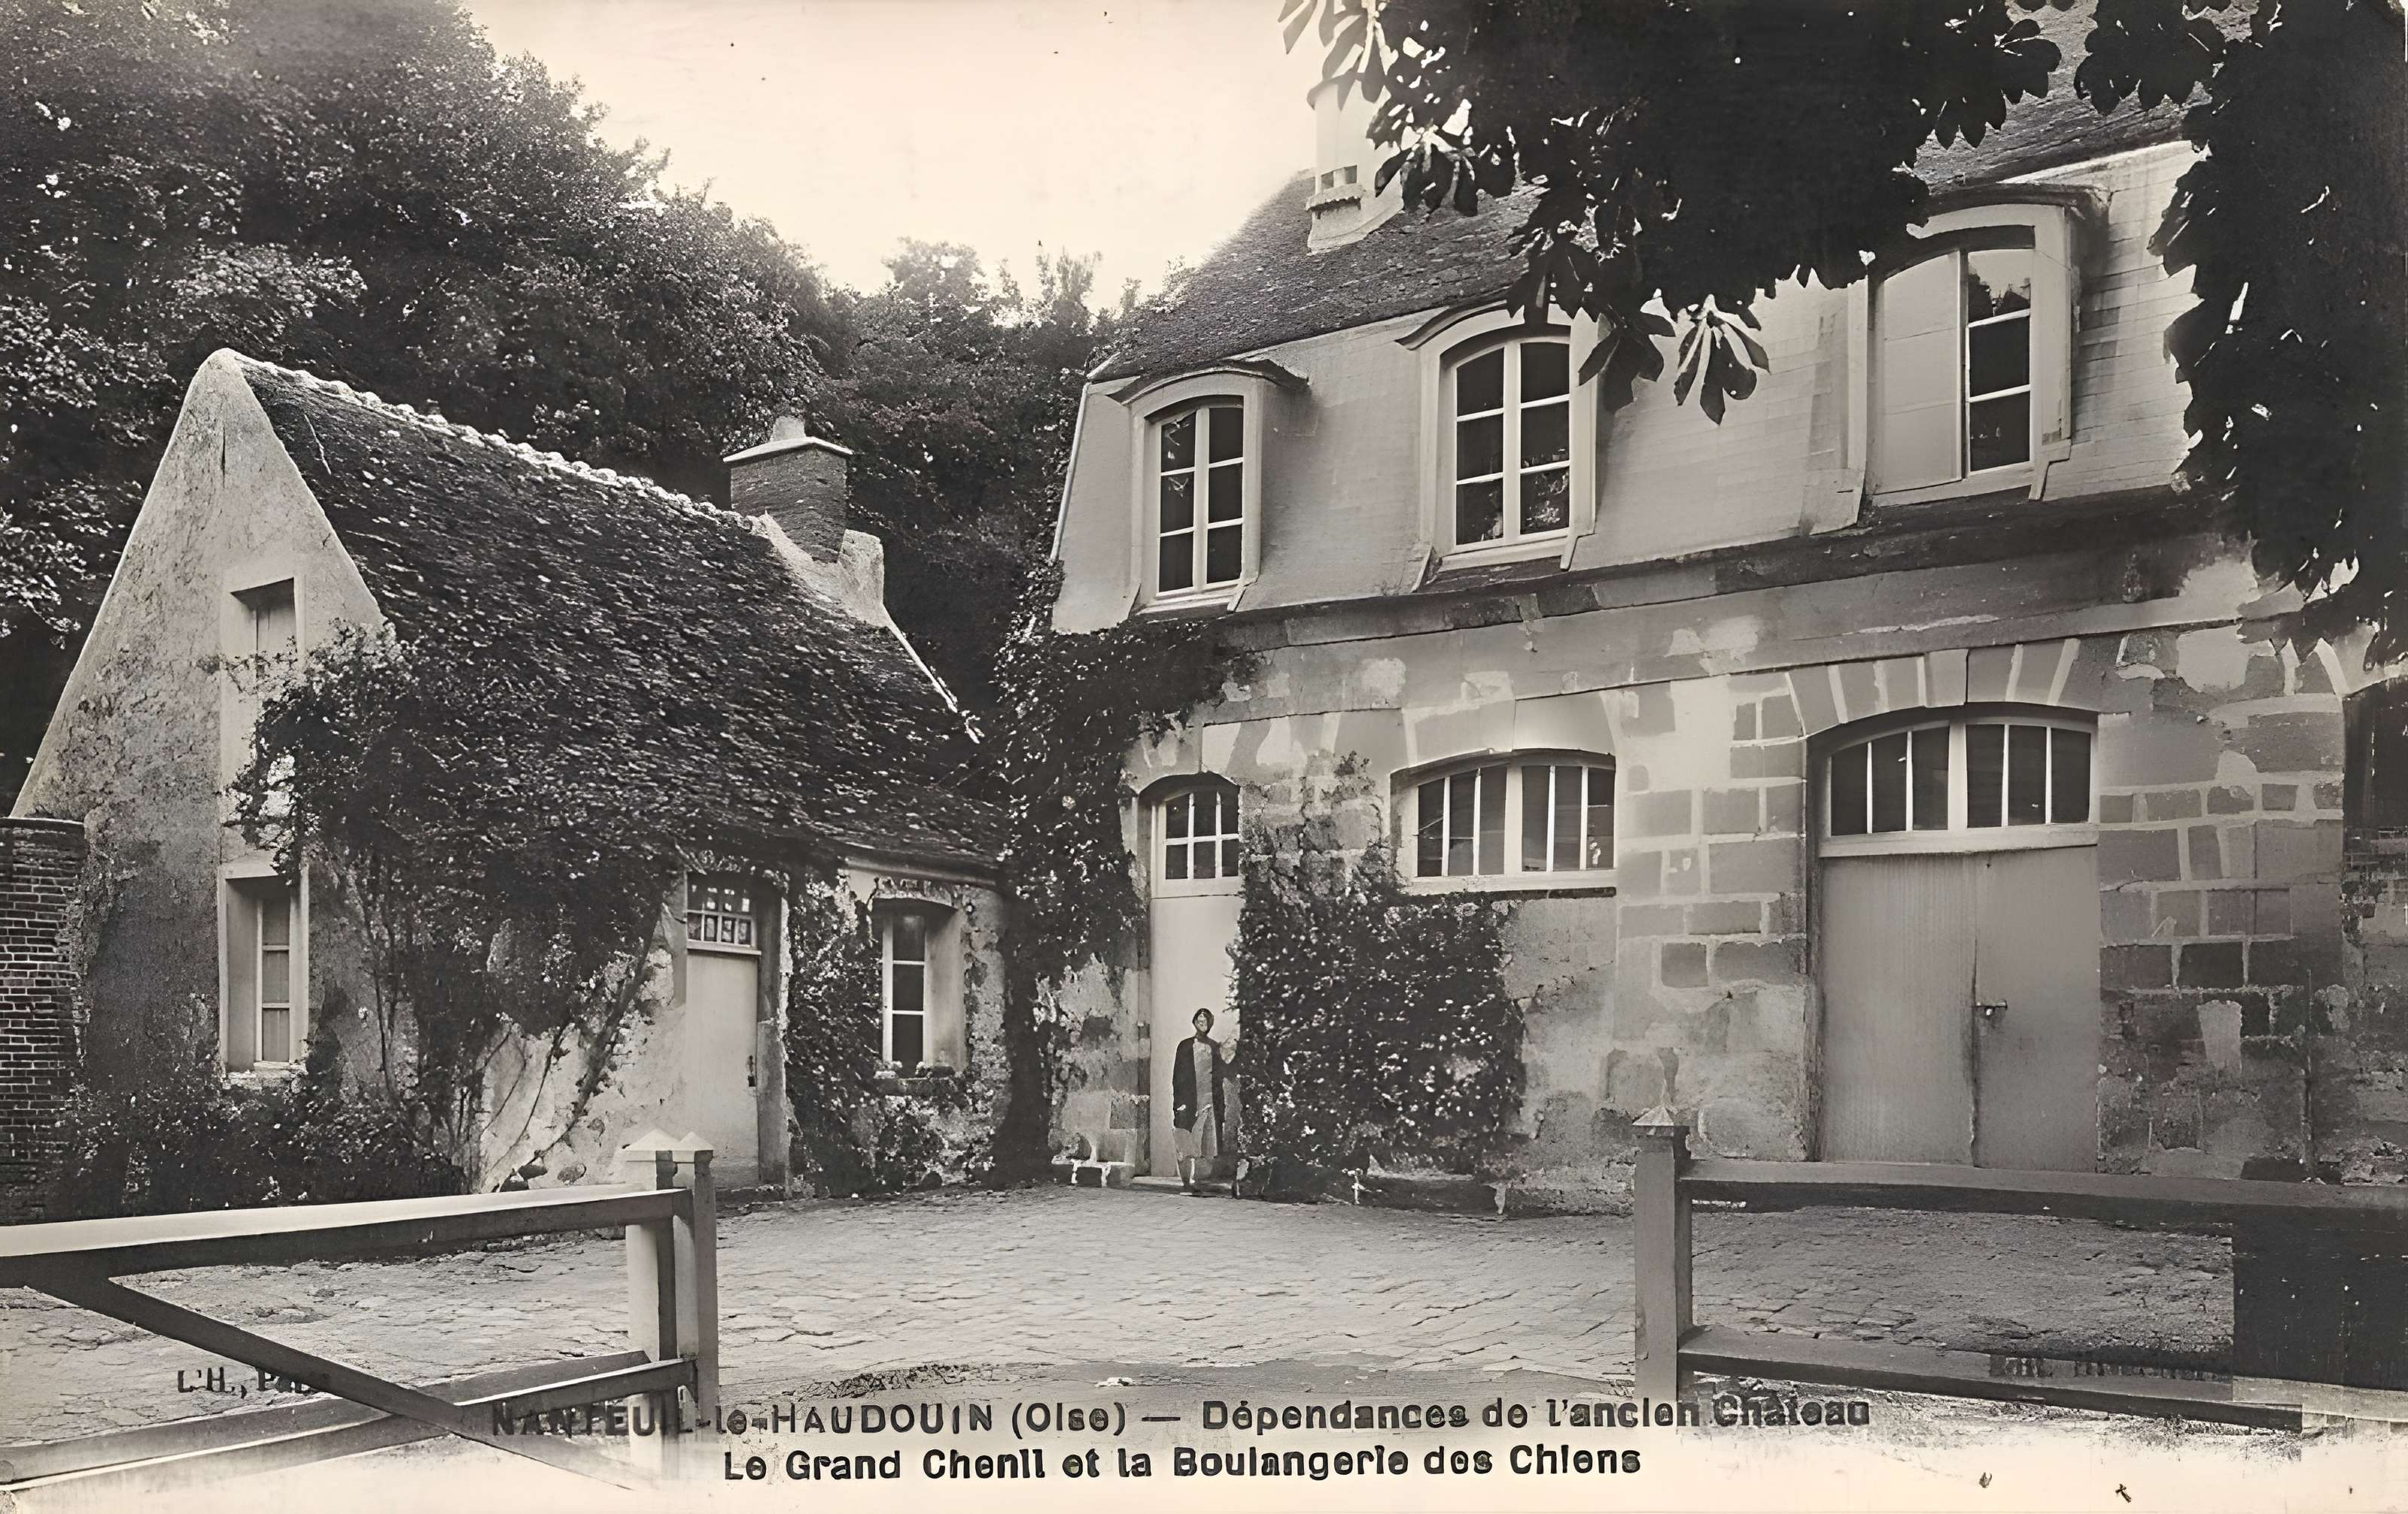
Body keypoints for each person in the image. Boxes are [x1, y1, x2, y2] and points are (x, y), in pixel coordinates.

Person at [1171, 1007, 1229, 1194]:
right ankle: (1186, 1184)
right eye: (1199, 1020)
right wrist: (1179, 1103)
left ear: (1209, 1025)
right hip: (1188, 1104)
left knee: (1206, 1148)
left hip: (1208, 1104)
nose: (1202, 1023)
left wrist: (1220, 1106)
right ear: (1194, 1022)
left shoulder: (1214, 1048)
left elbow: (1219, 1078)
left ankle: (1199, 1183)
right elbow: (1177, 1076)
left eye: (1205, 1021)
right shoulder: (1185, 1046)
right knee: (1185, 1144)